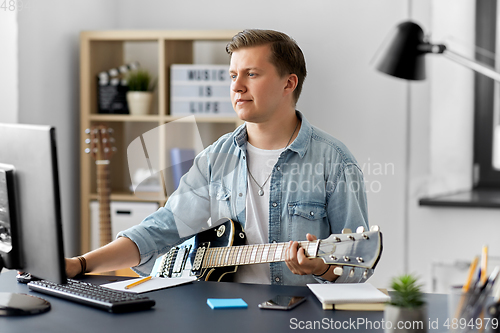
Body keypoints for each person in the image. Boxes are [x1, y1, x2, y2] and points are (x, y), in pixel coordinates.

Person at [66, 29, 371, 286]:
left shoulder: (336, 162)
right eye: (233, 75)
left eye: (252, 74)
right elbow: (160, 231)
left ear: (288, 84)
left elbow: (357, 266)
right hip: (223, 312)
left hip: (298, 317)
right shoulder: (216, 157)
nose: (237, 87)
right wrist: (80, 264)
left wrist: (319, 268)